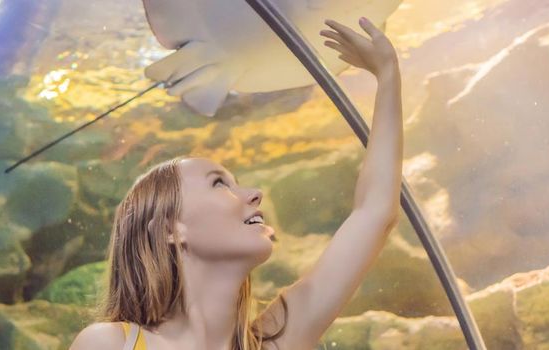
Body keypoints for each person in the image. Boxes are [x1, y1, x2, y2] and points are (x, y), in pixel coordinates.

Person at [70, 16, 403, 350]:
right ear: (171, 228)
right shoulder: (111, 343)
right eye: (219, 184)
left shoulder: (272, 341)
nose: (255, 194)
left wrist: (387, 75)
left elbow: (373, 213)